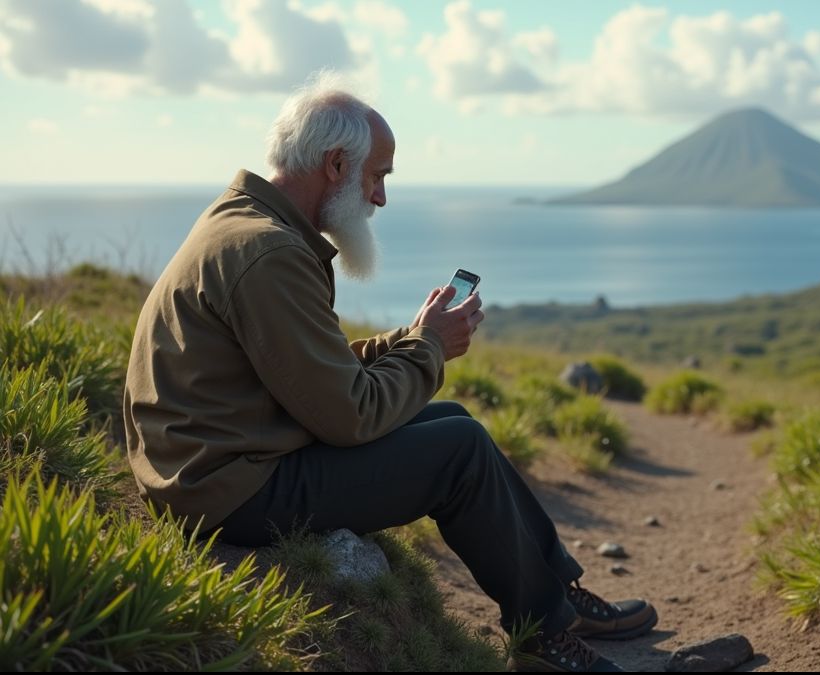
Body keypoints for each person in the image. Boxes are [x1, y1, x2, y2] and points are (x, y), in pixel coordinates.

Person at [122, 73, 655, 673]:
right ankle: (545, 641)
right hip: (227, 489)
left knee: (451, 418)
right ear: (335, 164)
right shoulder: (270, 254)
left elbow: (307, 369)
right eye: (377, 177)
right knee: (459, 449)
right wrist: (429, 350)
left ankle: (556, 598)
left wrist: (410, 339)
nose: (379, 197)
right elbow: (349, 416)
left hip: (218, 461)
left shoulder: (248, 223)